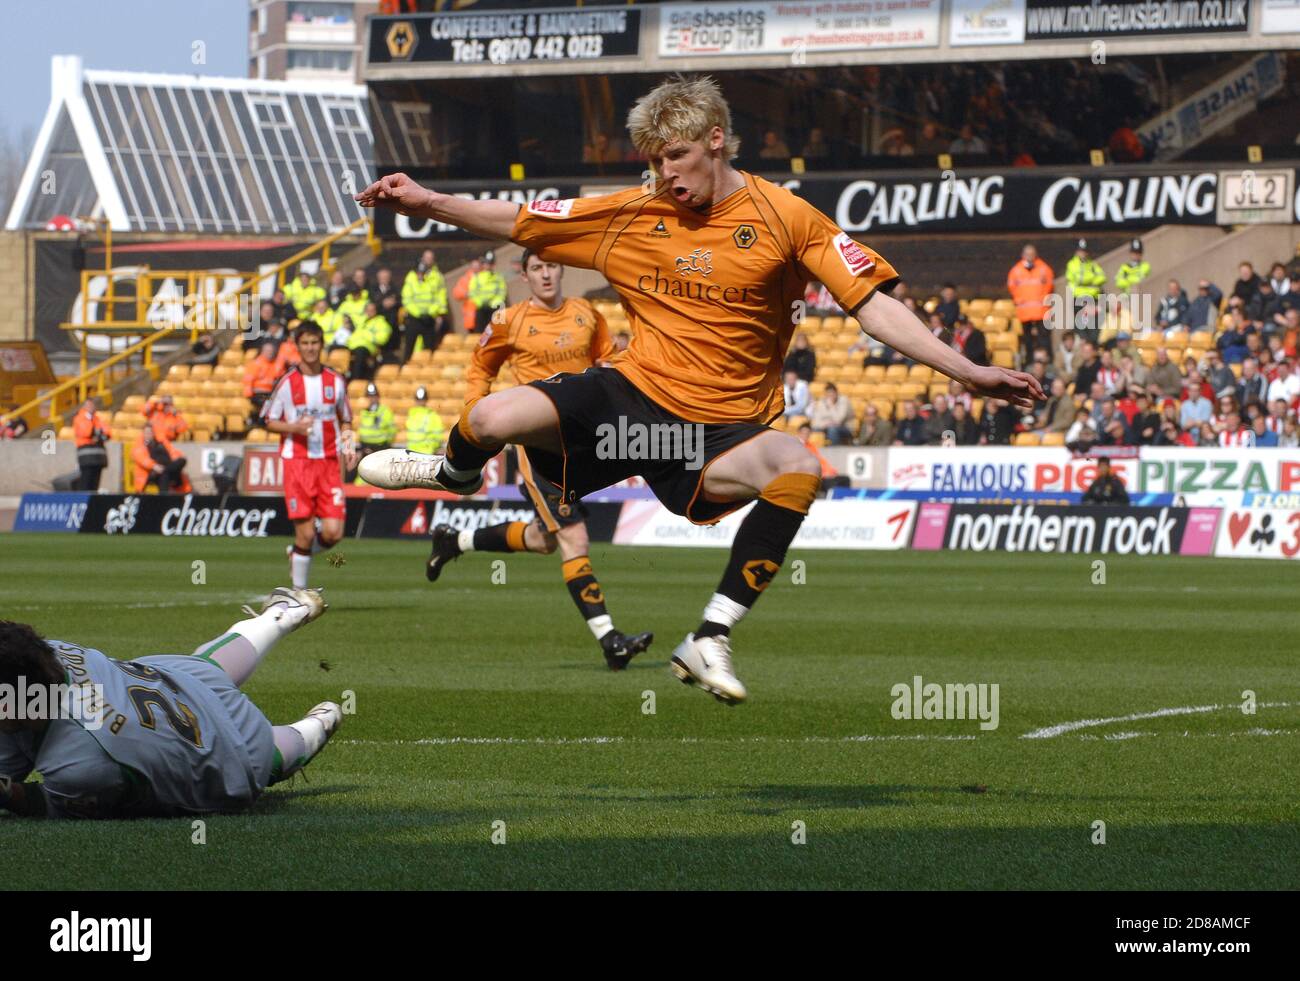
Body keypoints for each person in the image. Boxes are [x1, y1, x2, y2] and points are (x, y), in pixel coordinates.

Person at [355, 75, 1040, 704]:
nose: (665, 174)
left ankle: (710, 635)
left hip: (720, 431)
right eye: (654, 161)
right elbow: (522, 221)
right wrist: (428, 201)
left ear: (716, 139)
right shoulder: (632, 212)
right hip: (630, 397)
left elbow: (871, 304)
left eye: (676, 156)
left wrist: (969, 371)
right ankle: (454, 472)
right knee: (492, 413)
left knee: (798, 465)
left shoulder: (787, 217)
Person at [425, 251, 652, 669]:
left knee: (544, 539)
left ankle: (453, 540)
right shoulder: (507, 321)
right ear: (525, 275)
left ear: (561, 269)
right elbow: (480, 367)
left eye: (551, 266)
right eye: (537, 269)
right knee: (574, 538)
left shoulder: (586, 313)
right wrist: (476, 420)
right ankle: (611, 640)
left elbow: (605, 364)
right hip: (541, 447)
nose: (546, 274)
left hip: (585, 442)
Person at [0, 593, 341, 819]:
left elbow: (44, 802)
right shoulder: (48, 653)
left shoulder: (80, 764)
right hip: (175, 680)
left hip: (233, 750)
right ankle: (280, 615)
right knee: (207, 666)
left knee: (259, 762)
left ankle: (318, 725)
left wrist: (7, 792)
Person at [260, 321, 357, 589]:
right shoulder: (287, 382)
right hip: (298, 463)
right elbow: (267, 419)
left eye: (315, 342)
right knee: (304, 533)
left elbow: (345, 419)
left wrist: (348, 446)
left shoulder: (335, 381)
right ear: (297, 346)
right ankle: (299, 595)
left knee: (333, 533)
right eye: (305, 343)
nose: (310, 348)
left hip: (328, 463)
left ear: (321, 344)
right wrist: (294, 427)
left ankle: (298, 555)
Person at [1007, 244, 1054, 356]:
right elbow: (1011, 286)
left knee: (1044, 340)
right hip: (1025, 312)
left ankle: (1046, 363)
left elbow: (1050, 285)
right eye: (1028, 254)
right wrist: (1018, 299)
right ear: (1023, 255)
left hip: (1041, 311)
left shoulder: (1044, 269)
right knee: (1028, 340)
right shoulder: (1016, 271)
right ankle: (1029, 363)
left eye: (1032, 254)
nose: (1030, 256)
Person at [402, 250, 449, 358]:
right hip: (414, 317)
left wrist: (433, 313)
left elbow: (439, 297)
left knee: (429, 348)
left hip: (429, 318)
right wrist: (418, 313)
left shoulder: (436, 277)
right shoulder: (411, 277)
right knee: (409, 348)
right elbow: (407, 298)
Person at [130, 421, 192, 494]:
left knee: (182, 460)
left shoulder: (160, 441)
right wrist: (154, 466)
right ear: (143, 433)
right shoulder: (140, 444)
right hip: (150, 472)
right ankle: (164, 498)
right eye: (147, 432)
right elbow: (142, 459)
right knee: (164, 474)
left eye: (150, 432)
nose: (149, 434)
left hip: (168, 466)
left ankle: (166, 469)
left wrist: (177, 457)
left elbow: (172, 451)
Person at [354, 382, 397, 481]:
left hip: (380, 449)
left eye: (373, 396)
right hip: (366, 449)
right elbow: (362, 431)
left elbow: (392, 431)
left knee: (380, 477)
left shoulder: (385, 411)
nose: (371, 399)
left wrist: (384, 445)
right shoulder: (364, 412)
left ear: (378, 397)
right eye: (369, 396)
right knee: (362, 479)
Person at [71, 397, 112, 492]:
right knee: (85, 483)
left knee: (95, 485)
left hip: (98, 459)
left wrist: (97, 435)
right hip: (86, 458)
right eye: (88, 405)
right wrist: (97, 434)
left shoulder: (97, 419)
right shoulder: (79, 418)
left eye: (92, 405)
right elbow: (86, 432)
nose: (91, 407)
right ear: (84, 407)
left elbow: (108, 433)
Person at [1065, 239, 1105, 333]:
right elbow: (1074, 279)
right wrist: (1091, 280)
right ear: (1077, 252)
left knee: (1094, 324)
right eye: (1081, 251)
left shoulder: (1092, 264)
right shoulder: (1072, 264)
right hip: (1079, 299)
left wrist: (1085, 282)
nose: (1083, 253)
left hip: (1093, 298)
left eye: (1084, 251)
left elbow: (1102, 277)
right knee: (1081, 324)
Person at [243, 341, 282, 424]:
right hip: (258, 394)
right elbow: (248, 379)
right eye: (268, 351)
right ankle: (259, 421)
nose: (270, 353)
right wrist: (249, 394)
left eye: (271, 351)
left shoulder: (274, 364)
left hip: (270, 394)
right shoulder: (256, 364)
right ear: (262, 351)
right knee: (268, 403)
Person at [468, 250, 507, 333]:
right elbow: (472, 293)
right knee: (481, 333)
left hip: (495, 308)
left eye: (490, 263)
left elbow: (502, 292)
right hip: (481, 308)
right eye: (486, 263)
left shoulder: (498, 277)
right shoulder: (476, 278)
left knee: (498, 331)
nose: (488, 265)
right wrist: (480, 303)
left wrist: (494, 303)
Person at [403, 386, 445, 455]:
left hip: (426, 454)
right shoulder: (411, 414)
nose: (420, 402)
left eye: (422, 399)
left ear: (426, 400)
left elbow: (437, 437)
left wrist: (430, 447)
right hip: (411, 453)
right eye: (418, 399)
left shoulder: (432, 415)